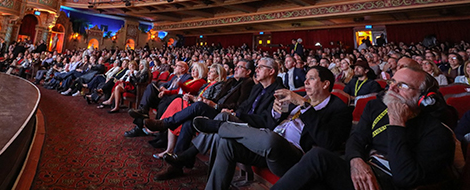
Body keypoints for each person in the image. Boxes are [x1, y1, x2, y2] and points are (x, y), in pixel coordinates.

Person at [271, 68, 456, 190]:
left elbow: (405, 178)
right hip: (362, 170)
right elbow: (356, 139)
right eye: (392, 83)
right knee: (314, 171)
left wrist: (397, 123)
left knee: (316, 163)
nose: (393, 89)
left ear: (425, 97)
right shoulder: (376, 107)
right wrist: (356, 160)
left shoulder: (438, 132)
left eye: (403, 86)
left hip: (386, 183)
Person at [200, 66, 352, 190]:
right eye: (305, 78)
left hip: (293, 156)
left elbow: (328, 142)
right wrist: (275, 112)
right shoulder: (296, 101)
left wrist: (304, 105)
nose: (305, 82)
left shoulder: (338, 109)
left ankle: (222, 126)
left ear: (325, 84)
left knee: (272, 139)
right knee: (228, 144)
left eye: (311, 78)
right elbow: (269, 123)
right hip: (267, 145)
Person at [154, 57, 280, 181]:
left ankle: (168, 127)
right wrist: (234, 112)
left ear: (271, 71)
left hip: (245, 124)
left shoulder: (274, 90)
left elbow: (264, 119)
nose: (256, 70)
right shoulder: (251, 86)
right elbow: (244, 106)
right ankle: (176, 165)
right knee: (189, 123)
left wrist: (233, 113)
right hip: (227, 114)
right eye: (256, 67)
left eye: (260, 67)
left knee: (210, 112)